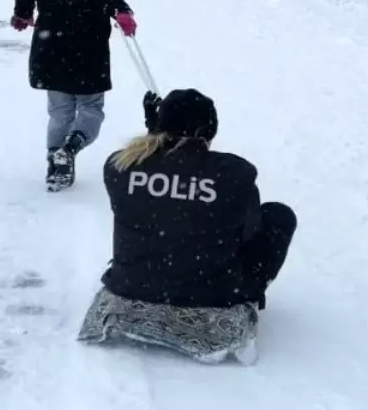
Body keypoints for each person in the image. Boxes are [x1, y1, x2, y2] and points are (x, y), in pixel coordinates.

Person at [99, 89, 297, 312]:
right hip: (214, 294)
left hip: (130, 285)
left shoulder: (119, 167)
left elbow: (159, 190)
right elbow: (249, 228)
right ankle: (243, 296)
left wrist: (156, 134)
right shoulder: (234, 173)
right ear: (205, 130)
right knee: (278, 215)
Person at [12, 0, 136, 192]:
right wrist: (122, 11)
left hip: (51, 47)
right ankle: (70, 147)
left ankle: (55, 164)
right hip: (87, 47)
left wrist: (22, 13)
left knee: (59, 112)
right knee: (91, 107)